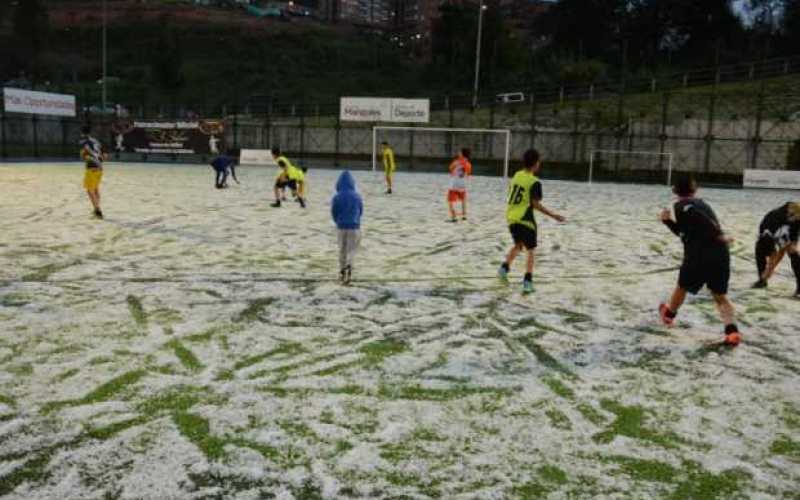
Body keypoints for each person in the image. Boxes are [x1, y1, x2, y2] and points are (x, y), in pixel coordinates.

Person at [658, 176, 742, 346]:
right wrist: (668, 222)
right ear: (695, 189)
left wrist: (719, 234)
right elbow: (685, 232)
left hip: (698, 255)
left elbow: (699, 218)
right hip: (720, 254)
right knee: (720, 296)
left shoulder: (683, 205)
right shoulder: (702, 203)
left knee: (682, 287)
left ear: (674, 191)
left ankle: (668, 315)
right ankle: (732, 331)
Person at [498, 149, 565, 294]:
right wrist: (554, 215)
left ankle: (504, 268)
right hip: (525, 218)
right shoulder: (534, 182)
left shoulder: (516, 175)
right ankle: (528, 281)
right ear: (536, 164)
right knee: (531, 250)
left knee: (518, 245)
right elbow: (535, 204)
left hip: (511, 217)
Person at [752, 202, 800, 296]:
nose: (797, 220)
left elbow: (786, 245)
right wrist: (769, 269)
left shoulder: (797, 218)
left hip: (786, 233)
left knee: (793, 252)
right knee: (760, 250)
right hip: (768, 235)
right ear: (790, 213)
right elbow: (774, 253)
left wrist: (793, 244)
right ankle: (762, 280)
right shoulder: (772, 218)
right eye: (796, 217)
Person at [332, 171, 363, 285]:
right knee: (352, 250)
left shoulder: (336, 197)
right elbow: (360, 211)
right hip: (354, 227)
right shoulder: (357, 196)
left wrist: (338, 222)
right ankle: (349, 265)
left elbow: (334, 212)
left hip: (341, 227)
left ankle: (341, 271)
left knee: (342, 250)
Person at [79, 125, 105, 219]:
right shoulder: (96, 141)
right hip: (100, 168)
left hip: (91, 168)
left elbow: (83, 155)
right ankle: (96, 209)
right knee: (96, 189)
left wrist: (87, 157)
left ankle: (98, 211)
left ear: (82, 133)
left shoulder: (83, 142)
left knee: (90, 191)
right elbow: (104, 155)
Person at [447, 148, 472, 222]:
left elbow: (450, 168)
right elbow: (468, 173)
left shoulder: (456, 162)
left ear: (462, 154)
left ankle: (454, 216)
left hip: (454, 184)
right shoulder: (468, 164)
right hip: (463, 184)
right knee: (463, 199)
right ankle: (464, 215)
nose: (458, 153)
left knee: (450, 200)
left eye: (459, 152)